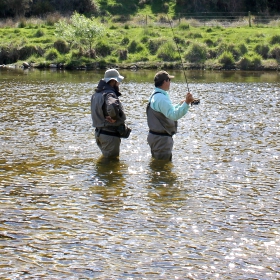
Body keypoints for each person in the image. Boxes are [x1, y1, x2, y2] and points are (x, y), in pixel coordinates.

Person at [146, 70, 195, 161]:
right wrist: (187, 103)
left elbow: (166, 111)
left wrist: (180, 104)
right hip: (161, 140)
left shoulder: (156, 95)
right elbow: (173, 115)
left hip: (156, 137)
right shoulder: (161, 98)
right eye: (169, 80)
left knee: (157, 166)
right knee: (162, 168)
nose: (170, 83)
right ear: (165, 81)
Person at [91, 69, 131, 158]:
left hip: (99, 134)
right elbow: (112, 105)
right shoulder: (109, 94)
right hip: (110, 135)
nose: (119, 84)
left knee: (106, 164)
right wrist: (114, 117)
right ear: (113, 81)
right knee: (111, 164)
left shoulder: (96, 94)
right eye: (118, 81)